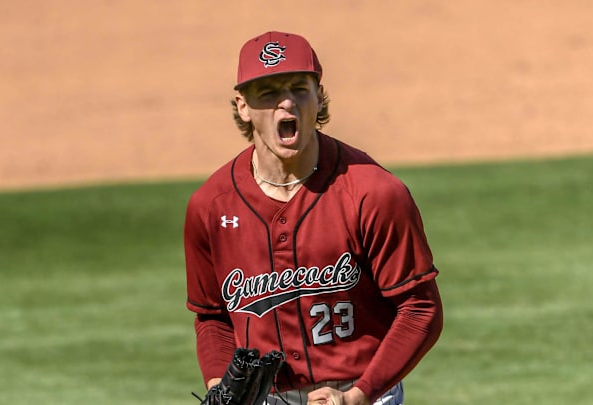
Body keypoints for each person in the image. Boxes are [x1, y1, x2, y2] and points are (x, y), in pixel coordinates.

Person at [184, 31, 443, 405]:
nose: (286, 104)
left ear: (318, 95)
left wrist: (358, 395)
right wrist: (219, 389)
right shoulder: (211, 207)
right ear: (243, 105)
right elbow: (212, 318)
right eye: (268, 92)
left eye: (298, 89)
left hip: (363, 393)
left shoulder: (374, 192)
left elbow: (421, 309)